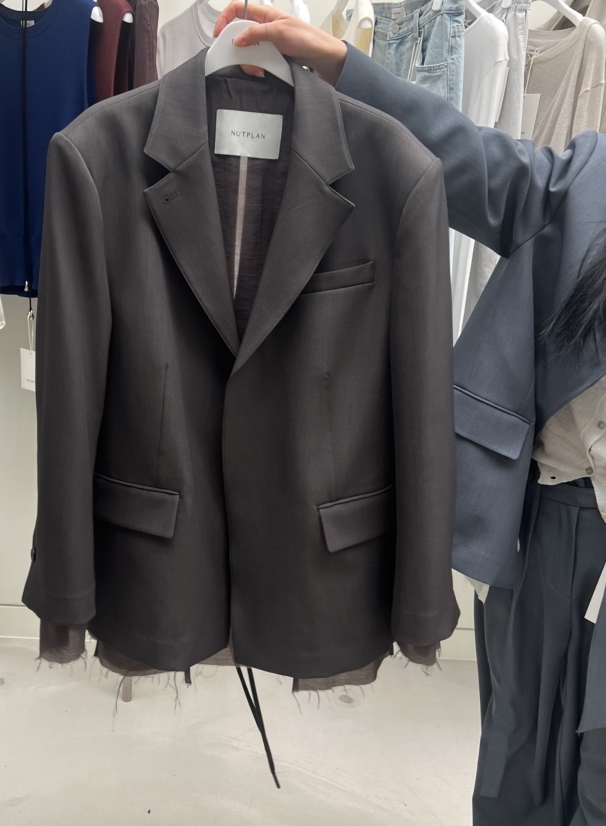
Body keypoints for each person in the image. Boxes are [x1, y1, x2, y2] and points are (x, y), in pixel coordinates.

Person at [212, 4, 606, 824]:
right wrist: (339, 66)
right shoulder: (596, 174)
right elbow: (480, 165)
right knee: (518, 759)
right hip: (552, 522)